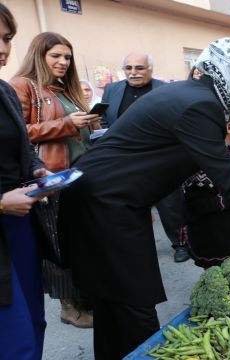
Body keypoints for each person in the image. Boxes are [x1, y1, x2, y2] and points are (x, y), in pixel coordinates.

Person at [57, 37, 230, 359]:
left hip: (108, 200)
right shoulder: (201, 104)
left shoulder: (198, 96)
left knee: (117, 304)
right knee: (133, 305)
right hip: (105, 204)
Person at [10, 31, 99, 329]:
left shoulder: (63, 89)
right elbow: (18, 133)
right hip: (50, 176)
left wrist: (89, 124)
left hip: (78, 176)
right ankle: (68, 307)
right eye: (56, 56)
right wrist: (65, 123)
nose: (63, 62)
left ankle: (84, 298)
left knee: (77, 243)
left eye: (67, 57)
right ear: (39, 55)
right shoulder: (22, 86)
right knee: (56, 245)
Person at [101, 52, 189, 262]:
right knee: (129, 206)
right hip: (125, 160)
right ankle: (136, 247)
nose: (133, 73)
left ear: (150, 69)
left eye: (139, 68)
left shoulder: (166, 89)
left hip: (160, 158)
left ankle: (181, 244)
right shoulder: (112, 90)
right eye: (128, 68)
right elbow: (105, 120)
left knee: (170, 205)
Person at [0, 4, 50, 357]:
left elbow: (21, 147)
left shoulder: (4, 91)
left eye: (6, 38)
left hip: (19, 223)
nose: (3, 48)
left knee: (34, 321)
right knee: (13, 335)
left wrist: (36, 168)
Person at [182, 103, 230, 268]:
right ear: (229, 127)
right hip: (216, 240)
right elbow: (196, 206)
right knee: (221, 279)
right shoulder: (201, 163)